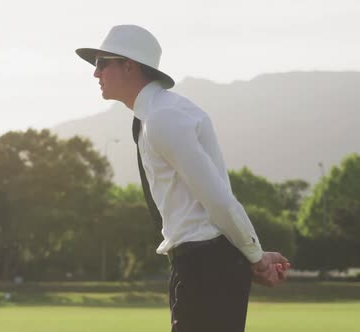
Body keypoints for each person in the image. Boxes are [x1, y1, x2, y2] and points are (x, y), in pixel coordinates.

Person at [76, 25, 291, 332]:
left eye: (101, 63)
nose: (95, 74)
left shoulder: (164, 118)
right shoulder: (154, 116)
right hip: (198, 264)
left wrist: (254, 256)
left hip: (206, 266)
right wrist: (251, 255)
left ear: (129, 65)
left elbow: (217, 198)